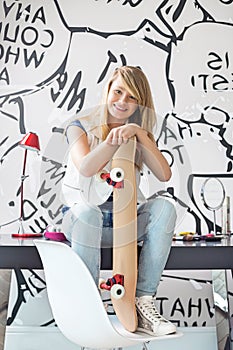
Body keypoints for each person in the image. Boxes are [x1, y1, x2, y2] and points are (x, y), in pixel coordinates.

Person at [61, 66, 177, 336]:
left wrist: (139, 133)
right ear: (108, 91)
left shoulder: (136, 133)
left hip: (124, 219)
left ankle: (143, 301)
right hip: (82, 218)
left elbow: (165, 174)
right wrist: (111, 142)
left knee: (165, 208)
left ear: (140, 103)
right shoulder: (78, 126)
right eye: (118, 92)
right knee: (88, 214)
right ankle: (88, 307)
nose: (122, 101)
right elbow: (87, 167)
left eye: (132, 96)